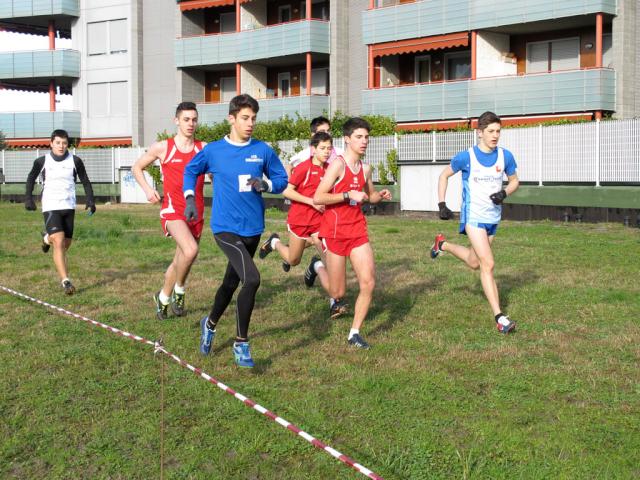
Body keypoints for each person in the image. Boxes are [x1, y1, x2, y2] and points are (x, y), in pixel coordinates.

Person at [183, 94, 288, 368]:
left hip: (252, 229)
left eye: (253, 118)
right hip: (224, 229)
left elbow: (281, 178)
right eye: (245, 118)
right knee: (251, 279)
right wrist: (190, 198)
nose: (250, 123)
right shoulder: (214, 150)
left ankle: (210, 323)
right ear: (231, 118)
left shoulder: (262, 150)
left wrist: (267, 185)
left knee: (231, 283)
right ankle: (241, 343)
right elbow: (189, 170)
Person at [431, 111, 520, 333]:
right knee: (488, 264)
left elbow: (515, 180)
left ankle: (442, 245)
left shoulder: (505, 156)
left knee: (474, 262)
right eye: (490, 131)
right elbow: (443, 175)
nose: (495, 135)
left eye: (498, 131)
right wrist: (442, 204)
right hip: (473, 217)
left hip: (493, 218)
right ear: (479, 133)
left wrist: (505, 193)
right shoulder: (466, 157)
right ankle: (500, 318)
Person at [313, 117, 392, 349]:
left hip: (357, 230)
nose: (364, 141)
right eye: (359, 137)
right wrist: (347, 195)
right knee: (338, 292)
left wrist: (380, 196)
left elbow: (369, 195)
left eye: (366, 137)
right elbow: (319, 197)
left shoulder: (366, 168)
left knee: (368, 282)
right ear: (347, 139)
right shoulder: (337, 165)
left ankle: (354, 333)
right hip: (335, 232)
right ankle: (317, 266)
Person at [132, 101, 207, 320]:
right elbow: (137, 167)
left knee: (182, 259)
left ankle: (163, 297)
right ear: (176, 121)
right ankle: (180, 290)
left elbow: (216, 173)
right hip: (173, 211)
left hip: (197, 212)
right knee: (191, 250)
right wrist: (147, 189)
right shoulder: (163, 147)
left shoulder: (203, 148)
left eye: (194, 120)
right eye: (186, 119)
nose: (190, 124)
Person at [259, 131, 343, 315]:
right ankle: (274, 243)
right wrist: (311, 201)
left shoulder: (331, 169)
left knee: (329, 260)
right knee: (293, 259)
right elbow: (287, 191)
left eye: (329, 148)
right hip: (300, 221)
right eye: (322, 148)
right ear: (313, 149)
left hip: (320, 223)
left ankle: (334, 302)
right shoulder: (304, 168)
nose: (327, 152)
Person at [25, 129, 96, 295]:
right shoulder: (42, 161)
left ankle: (45, 238)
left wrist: (90, 200)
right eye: (58, 142)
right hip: (50, 205)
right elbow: (30, 178)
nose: (61, 146)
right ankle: (66, 281)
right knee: (59, 241)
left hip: (68, 206)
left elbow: (85, 180)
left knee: (65, 244)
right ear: (51, 143)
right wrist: (28, 198)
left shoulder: (75, 161)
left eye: (64, 143)